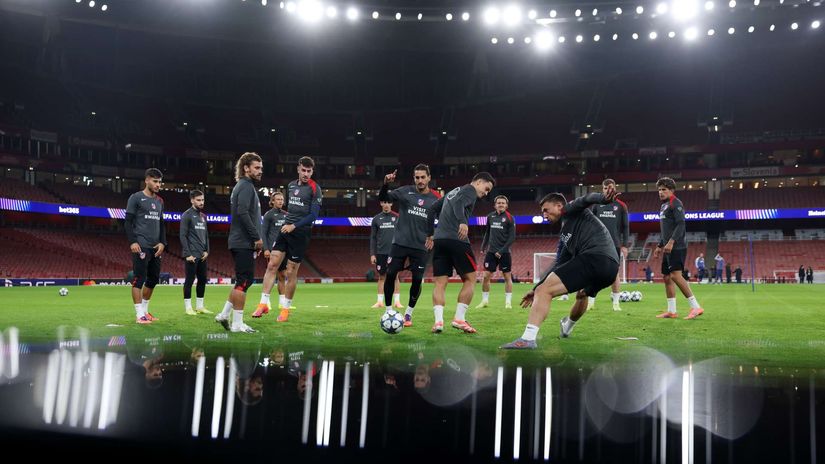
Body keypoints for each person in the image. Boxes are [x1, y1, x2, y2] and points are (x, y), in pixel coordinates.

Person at [500, 188, 620, 349]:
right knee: (582, 294)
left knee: (545, 291)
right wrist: (536, 288)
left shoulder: (569, 209)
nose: (544, 215)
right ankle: (567, 328)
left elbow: (586, 199)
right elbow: (559, 264)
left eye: (546, 210)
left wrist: (603, 198)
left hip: (595, 257)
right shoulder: (565, 234)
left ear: (558, 206)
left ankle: (527, 339)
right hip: (611, 269)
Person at [426, 172, 496, 334]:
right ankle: (459, 319)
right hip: (457, 239)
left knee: (440, 282)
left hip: (440, 240)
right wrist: (463, 222)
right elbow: (459, 204)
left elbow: (431, 210)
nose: (486, 193)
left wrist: (430, 233)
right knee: (470, 279)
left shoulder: (452, 191)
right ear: (478, 182)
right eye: (486, 189)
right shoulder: (469, 190)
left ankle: (438, 322)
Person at [378, 165, 442, 327]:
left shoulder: (436, 197)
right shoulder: (405, 191)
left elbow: (443, 218)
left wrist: (434, 235)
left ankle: (408, 314)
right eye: (417, 177)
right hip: (399, 243)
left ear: (428, 177)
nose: (419, 180)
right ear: (414, 178)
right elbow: (384, 197)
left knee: (417, 280)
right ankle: (388, 310)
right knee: (391, 274)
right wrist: (385, 183)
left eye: (422, 177)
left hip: (421, 246)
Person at [269, 156, 323, 322]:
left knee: (291, 271)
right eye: (303, 170)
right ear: (298, 169)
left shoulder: (315, 189)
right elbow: (292, 209)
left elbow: (313, 215)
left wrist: (294, 225)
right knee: (273, 263)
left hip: (301, 233)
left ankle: (285, 309)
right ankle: (264, 302)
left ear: (312, 171)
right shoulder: (291, 185)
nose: (306, 174)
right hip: (286, 229)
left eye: (309, 171)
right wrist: (288, 223)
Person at [215, 152, 263, 333]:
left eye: (261, 168)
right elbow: (242, 213)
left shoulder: (245, 186)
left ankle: (224, 315)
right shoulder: (245, 186)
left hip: (243, 241)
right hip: (243, 241)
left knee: (243, 282)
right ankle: (237, 324)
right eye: (256, 168)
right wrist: (256, 238)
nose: (260, 171)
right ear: (246, 168)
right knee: (244, 281)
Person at [654, 177, 705, 320]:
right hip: (667, 247)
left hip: (677, 246)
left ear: (671, 190)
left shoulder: (676, 203)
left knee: (676, 275)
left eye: (664, 189)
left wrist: (671, 242)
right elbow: (666, 229)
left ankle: (696, 307)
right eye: (659, 190)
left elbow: (681, 225)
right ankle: (672, 311)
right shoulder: (663, 206)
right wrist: (659, 245)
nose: (661, 192)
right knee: (666, 277)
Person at [125, 168, 166, 324]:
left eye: (160, 182)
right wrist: (133, 241)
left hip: (156, 247)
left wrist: (163, 242)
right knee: (139, 279)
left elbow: (162, 224)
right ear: (147, 180)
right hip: (140, 245)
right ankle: (138, 315)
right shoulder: (135, 198)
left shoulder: (160, 201)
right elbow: (128, 222)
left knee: (153, 279)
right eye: (155, 181)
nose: (158, 185)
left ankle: (145, 311)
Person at [587, 178, 631, 311]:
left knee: (614, 273)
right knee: (594, 272)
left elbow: (626, 227)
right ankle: (591, 302)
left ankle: (616, 303)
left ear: (614, 188)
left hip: (614, 244)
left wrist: (624, 245)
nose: (608, 190)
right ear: (602, 189)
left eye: (610, 188)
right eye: (605, 188)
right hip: (597, 244)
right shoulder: (596, 205)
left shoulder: (621, 206)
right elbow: (590, 224)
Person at [477, 195, 516, 309]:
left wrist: (502, 250)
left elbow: (512, 237)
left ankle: (508, 302)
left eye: (503, 203)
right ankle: (484, 301)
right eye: (499, 203)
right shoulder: (490, 216)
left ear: (506, 205)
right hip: (491, 252)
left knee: (507, 277)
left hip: (504, 253)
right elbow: (487, 233)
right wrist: (483, 245)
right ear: (495, 205)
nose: (501, 205)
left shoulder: (510, 218)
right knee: (486, 276)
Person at [254, 192, 290, 317]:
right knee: (270, 273)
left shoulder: (286, 215)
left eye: (282, 199)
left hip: (284, 249)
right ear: (272, 201)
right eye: (278, 199)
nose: (280, 201)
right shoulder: (269, 215)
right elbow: (263, 233)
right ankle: (266, 302)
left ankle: (282, 302)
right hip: (272, 249)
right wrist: (266, 249)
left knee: (282, 275)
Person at [180, 189, 212, 315]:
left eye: (203, 200)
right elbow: (183, 235)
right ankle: (188, 308)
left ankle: (200, 306)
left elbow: (206, 235)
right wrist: (187, 254)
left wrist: (207, 250)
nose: (201, 202)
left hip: (202, 254)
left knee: (203, 279)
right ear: (192, 200)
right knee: (189, 280)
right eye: (198, 200)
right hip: (192, 254)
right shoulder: (187, 215)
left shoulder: (203, 216)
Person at [370, 200, 403, 309]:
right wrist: (372, 254)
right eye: (384, 202)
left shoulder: (398, 217)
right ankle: (379, 302)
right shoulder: (376, 219)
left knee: (395, 277)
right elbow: (373, 238)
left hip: (395, 252)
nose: (386, 205)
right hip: (380, 253)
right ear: (381, 203)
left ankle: (397, 302)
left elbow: (403, 234)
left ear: (392, 204)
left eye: (388, 202)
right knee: (382, 277)